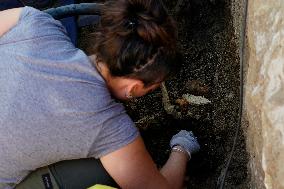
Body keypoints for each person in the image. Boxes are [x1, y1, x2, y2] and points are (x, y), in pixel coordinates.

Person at [0, 0, 200, 189]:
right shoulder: (107, 126)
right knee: (100, 173)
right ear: (134, 88)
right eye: (154, 86)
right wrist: (182, 148)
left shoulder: (35, 22)